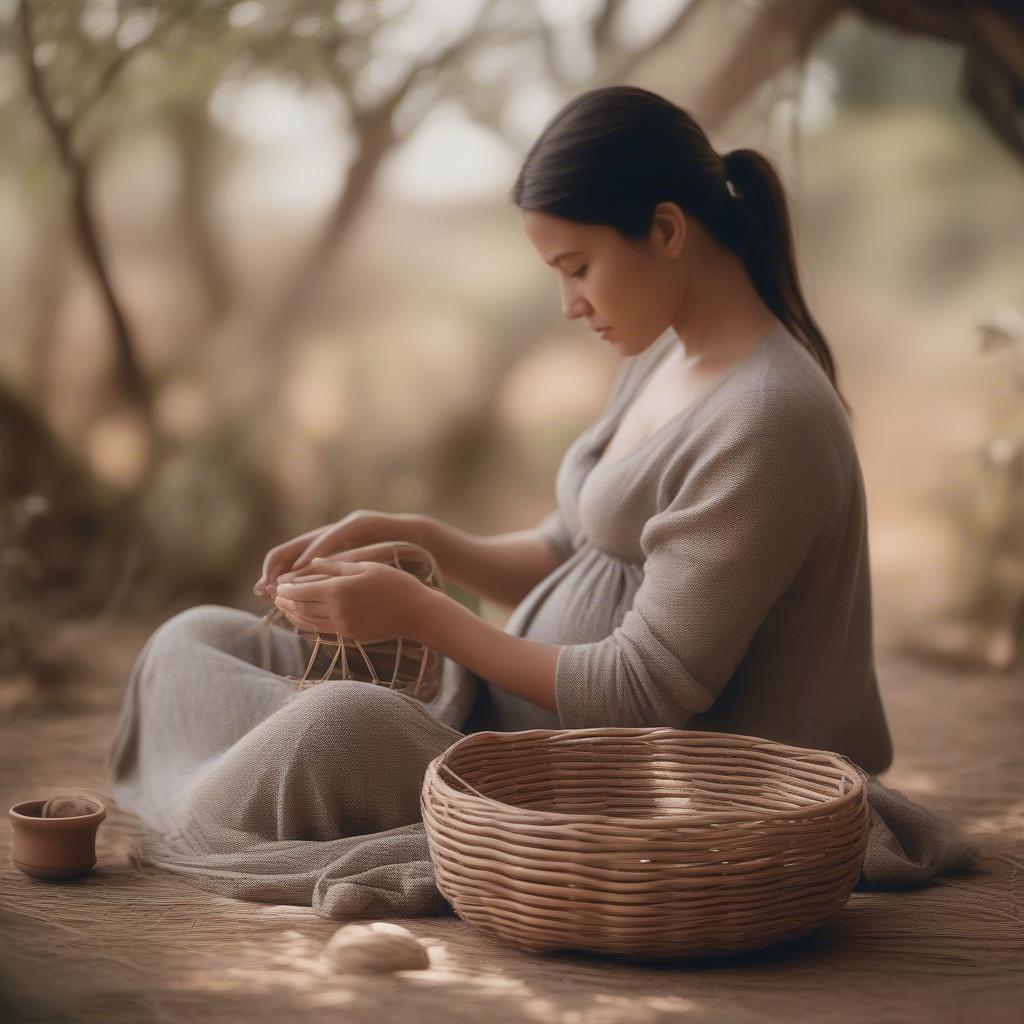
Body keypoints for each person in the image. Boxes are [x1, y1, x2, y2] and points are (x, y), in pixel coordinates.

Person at [108, 85, 979, 919]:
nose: (570, 305)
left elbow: (641, 695)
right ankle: (218, 788)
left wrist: (425, 614)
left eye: (579, 268)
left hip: (628, 785)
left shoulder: (767, 423)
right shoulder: (665, 352)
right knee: (190, 640)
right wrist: (414, 538)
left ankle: (207, 805)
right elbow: (572, 546)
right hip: (510, 720)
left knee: (339, 723)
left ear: (666, 230)